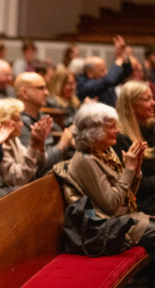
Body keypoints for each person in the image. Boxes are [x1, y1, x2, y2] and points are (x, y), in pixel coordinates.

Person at [66, 102, 154, 253]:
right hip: (114, 226)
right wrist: (128, 171)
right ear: (94, 131)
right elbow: (111, 205)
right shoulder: (86, 160)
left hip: (128, 217)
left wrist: (135, 170)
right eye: (112, 127)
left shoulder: (106, 152)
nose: (118, 130)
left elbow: (128, 195)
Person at [15, 72, 74, 175]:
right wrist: (62, 145)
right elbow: (35, 165)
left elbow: (64, 134)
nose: (46, 93)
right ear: (24, 92)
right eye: (41, 88)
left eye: (46, 88)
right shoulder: (18, 123)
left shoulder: (41, 115)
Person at [0, 98, 47, 193]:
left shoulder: (13, 139)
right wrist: (33, 147)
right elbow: (18, 180)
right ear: (3, 121)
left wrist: (39, 146)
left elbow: (38, 168)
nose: (21, 124)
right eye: (17, 120)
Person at [114, 80, 155, 214]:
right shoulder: (121, 138)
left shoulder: (150, 128)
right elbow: (136, 185)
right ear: (131, 105)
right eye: (147, 99)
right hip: (141, 203)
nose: (153, 103)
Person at [76, 35, 132, 107]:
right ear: (90, 73)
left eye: (105, 69)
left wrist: (123, 54)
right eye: (102, 70)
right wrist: (118, 59)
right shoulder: (83, 86)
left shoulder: (105, 80)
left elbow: (127, 71)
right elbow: (108, 80)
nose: (106, 72)